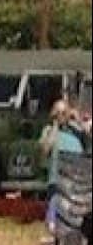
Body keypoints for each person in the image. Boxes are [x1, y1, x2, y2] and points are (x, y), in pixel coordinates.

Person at [40, 99, 86, 231]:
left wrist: (78, 121)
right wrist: (55, 124)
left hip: (76, 181)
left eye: (64, 113)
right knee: (54, 216)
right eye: (58, 112)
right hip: (57, 181)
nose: (61, 116)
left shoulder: (76, 132)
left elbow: (88, 138)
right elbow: (45, 150)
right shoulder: (49, 131)